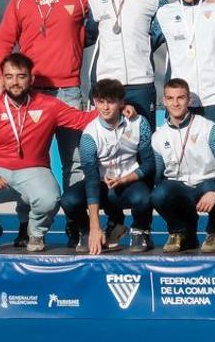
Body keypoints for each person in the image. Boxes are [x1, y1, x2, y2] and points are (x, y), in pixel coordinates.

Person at [0, 0, 90, 246]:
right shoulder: (19, 0)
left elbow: (115, 4)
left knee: (74, 161)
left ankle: (77, 224)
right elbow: (5, 42)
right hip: (30, 94)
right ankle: (26, 225)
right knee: (28, 162)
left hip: (69, 90)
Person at [0, 53, 97, 252]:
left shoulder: (49, 105)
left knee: (50, 198)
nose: (14, 82)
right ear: (3, 79)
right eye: (9, 76)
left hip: (34, 170)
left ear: (31, 79)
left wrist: (117, 107)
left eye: (21, 76)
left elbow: (81, 120)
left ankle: (36, 232)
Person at [61, 79, 155, 254]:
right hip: (100, 184)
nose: (105, 107)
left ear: (121, 102)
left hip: (129, 182)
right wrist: (94, 226)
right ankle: (87, 232)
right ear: (95, 102)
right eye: (100, 102)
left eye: (110, 102)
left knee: (146, 197)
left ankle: (140, 230)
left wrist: (126, 178)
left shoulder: (139, 123)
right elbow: (90, 179)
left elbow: (149, 164)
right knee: (68, 200)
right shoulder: (89, 135)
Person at [151, 78, 215, 253]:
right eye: (170, 98)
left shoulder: (207, 127)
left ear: (189, 100)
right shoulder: (158, 136)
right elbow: (158, 176)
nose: (176, 103)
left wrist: (214, 191)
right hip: (181, 187)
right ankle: (180, 231)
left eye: (181, 98)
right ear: (164, 101)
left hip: (207, 183)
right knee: (159, 194)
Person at [85, 0, 164, 125]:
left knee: (144, 140)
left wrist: (145, 44)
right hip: (106, 81)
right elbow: (88, 34)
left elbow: (170, 23)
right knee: (107, 141)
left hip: (141, 81)